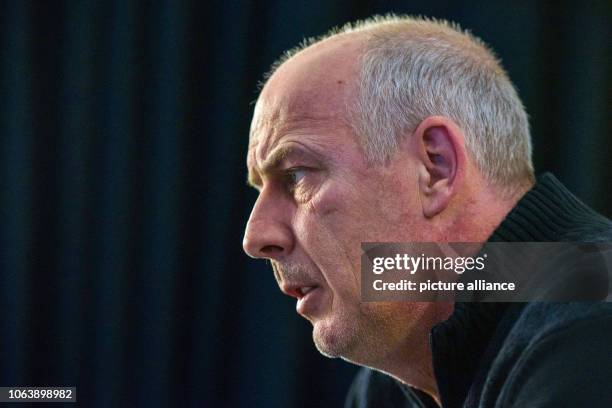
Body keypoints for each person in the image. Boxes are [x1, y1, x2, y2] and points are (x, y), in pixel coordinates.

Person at [242, 15, 612, 407]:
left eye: (296, 176)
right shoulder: (388, 387)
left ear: (435, 167)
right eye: (259, 188)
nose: (256, 237)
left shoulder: (591, 327)